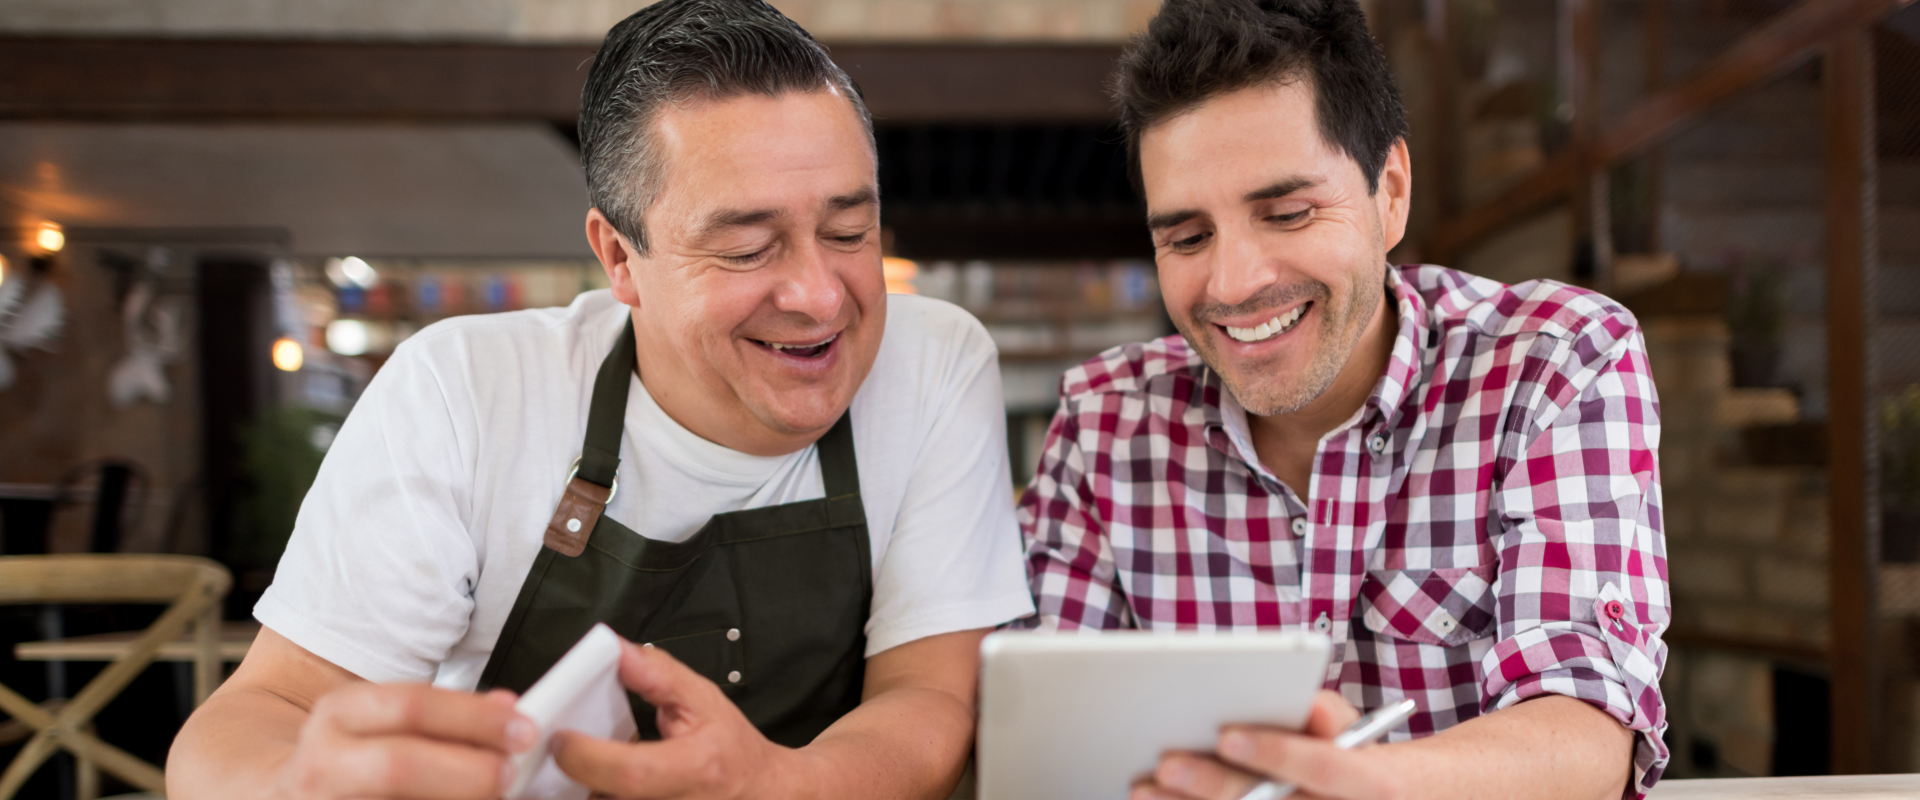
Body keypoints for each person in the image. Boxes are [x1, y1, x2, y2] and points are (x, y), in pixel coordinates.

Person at [168, 1, 1034, 797]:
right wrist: (293, 785)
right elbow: (257, 714)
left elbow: (927, 697)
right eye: (745, 250)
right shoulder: (465, 390)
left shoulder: (935, 363)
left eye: (850, 233)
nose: (818, 295)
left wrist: (771, 785)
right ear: (620, 258)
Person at [1015, 1, 1668, 798]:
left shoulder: (1554, 361)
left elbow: (1586, 729)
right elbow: (1043, 755)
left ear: (1389, 192)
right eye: (1187, 238)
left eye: (1287, 214)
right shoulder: (1104, 426)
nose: (1234, 285)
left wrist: (1357, 785)